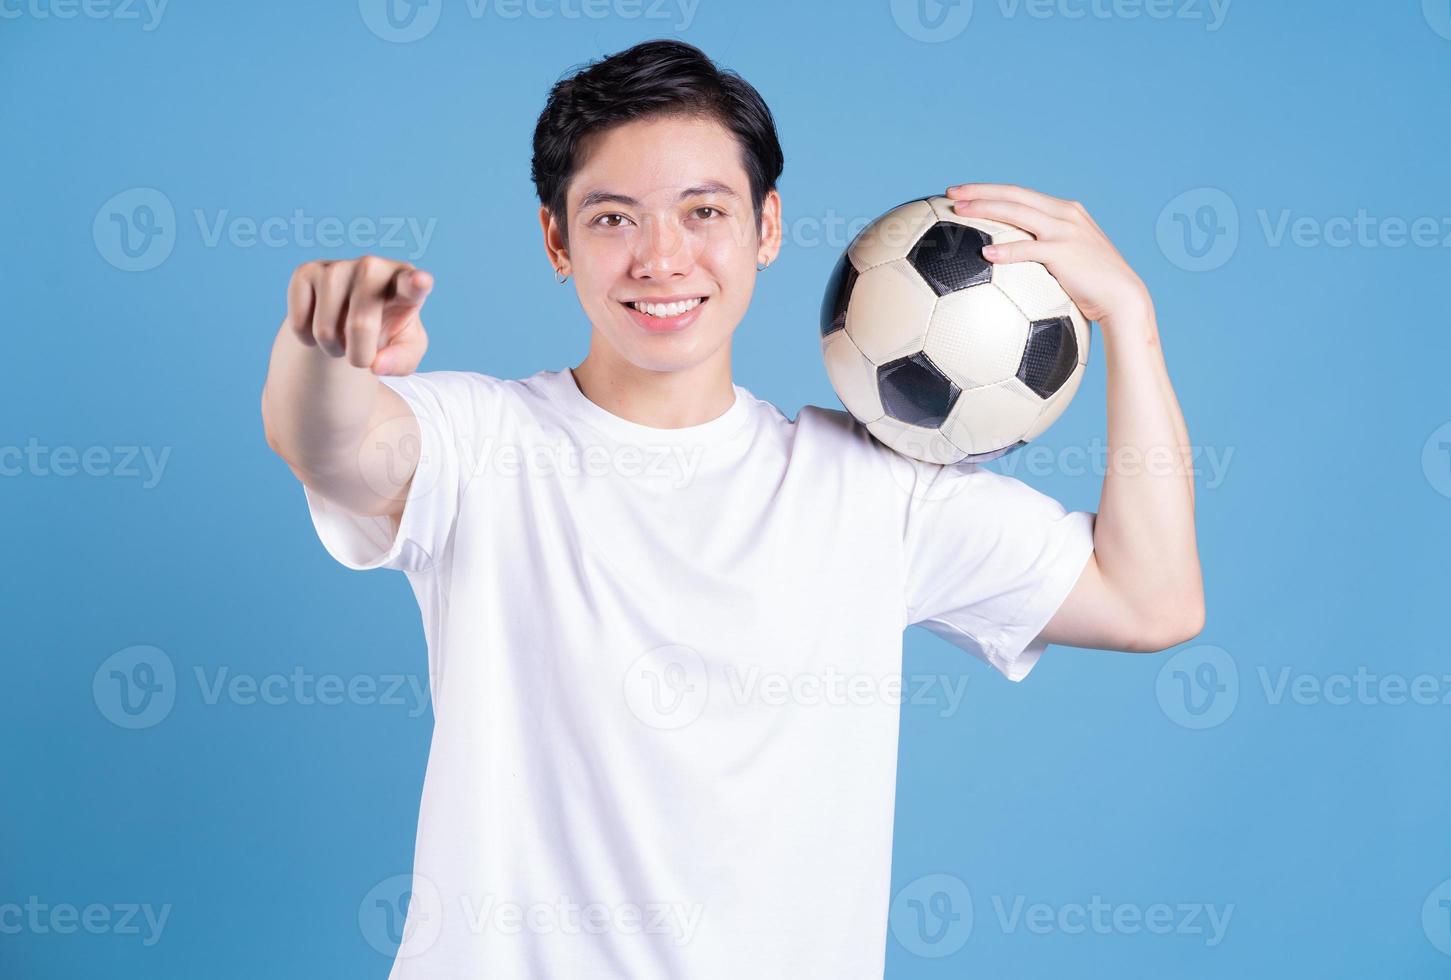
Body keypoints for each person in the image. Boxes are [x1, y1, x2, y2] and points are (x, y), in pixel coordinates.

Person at [260, 38, 1204, 980]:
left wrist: (1130, 318)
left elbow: (1150, 601)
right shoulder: (481, 447)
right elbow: (332, 443)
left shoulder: (874, 488)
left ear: (767, 227)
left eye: (703, 211)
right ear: (557, 241)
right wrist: (324, 344)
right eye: (613, 219)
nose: (662, 258)